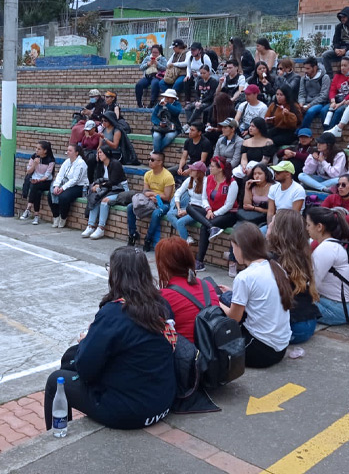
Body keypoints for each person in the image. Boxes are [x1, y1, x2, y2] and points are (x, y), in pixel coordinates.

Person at [43, 247, 176, 431]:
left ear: (116, 275)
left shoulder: (114, 313)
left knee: (56, 380)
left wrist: (87, 340)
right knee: (70, 357)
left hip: (130, 412)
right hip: (162, 402)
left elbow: (86, 369)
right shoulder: (161, 304)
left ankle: (57, 435)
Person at [218, 223, 292, 367]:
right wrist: (233, 293)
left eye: (233, 247)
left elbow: (233, 317)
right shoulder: (276, 267)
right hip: (280, 346)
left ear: (241, 247)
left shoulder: (245, 277)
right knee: (228, 299)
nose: (233, 252)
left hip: (260, 350)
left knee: (214, 344)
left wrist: (216, 301)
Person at [267, 209, 320, 344]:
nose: (268, 225)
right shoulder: (303, 256)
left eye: (271, 224)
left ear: (278, 232)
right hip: (309, 323)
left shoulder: (272, 261)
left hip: (292, 327)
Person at [157, 237, 220, 343]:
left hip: (189, 355)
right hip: (213, 350)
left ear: (163, 265)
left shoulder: (164, 296)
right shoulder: (207, 285)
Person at [305, 207, 349, 325]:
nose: (306, 228)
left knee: (288, 305)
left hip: (338, 310)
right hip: (342, 305)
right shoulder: (333, 244)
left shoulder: (326, 248)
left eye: (308, 225)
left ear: (319, 227)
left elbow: (313, 286)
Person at [185, 156, 239, 271]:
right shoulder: (208, 178)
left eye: (213, 166)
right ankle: (212, 227)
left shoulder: (232, 183)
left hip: (228, 214)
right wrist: (209, 209)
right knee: (190, 208)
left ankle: (199, 261)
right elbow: (204, 198)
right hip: (211, 211)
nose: (210, 168)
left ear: (220, 169)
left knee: (204, 226)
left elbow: (229, 205)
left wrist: (214, 213)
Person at [127, 152, 175, 252]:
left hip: (164, 203)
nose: (150, 161)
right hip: (149, 201)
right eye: (149, 159)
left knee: (156, 213)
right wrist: (151, 195)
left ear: (160, 162)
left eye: (152, 160)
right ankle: (133, 234)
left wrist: (154, 196)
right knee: (130, 207)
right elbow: (145, 192)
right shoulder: (148, 174)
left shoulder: (168, 176)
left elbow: (167, 196)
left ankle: (148, 239)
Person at [82, 146, 128, 240]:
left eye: (101, 152)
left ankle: (101, 228)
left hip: (119, 189)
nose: (99, 154)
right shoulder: (100, 164)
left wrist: (100, 186)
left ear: (107, 153)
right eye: (98, 153)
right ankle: (90, 226)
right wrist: (95, 185)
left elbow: (114, 181)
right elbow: (98, 179)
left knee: (104, 200)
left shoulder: (115, 164)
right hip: (108, 189)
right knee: (95, 197)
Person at [48, 144, 89, 229]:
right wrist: (56, 186)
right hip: (65, 184)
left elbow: (75, 180)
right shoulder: (67, 161)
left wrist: (62, 188)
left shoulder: (81, 163)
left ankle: (63, 218)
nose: (67, 152)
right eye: (67, 150)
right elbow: (60, 175)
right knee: (51, 194)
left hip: (79, 186)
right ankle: (56, 217)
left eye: (70, 151)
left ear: (76, 153)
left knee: (64, 197)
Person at [167, 161, 207, 241]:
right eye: (190, 168)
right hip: (189, 208)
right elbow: (178, 193)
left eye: (193, 169)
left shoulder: (206, 182)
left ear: (199, 172)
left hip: (199, 211)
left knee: (180, 222)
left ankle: (185, 243)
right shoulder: (189, 180)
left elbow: (204, 203)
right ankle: (187, 237)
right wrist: (179, 209)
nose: (190, 170)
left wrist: (186, 212)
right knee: (170, 214)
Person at [320, 7, 349, 78]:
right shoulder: (339, 27)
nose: (342, 19)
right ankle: (330, 76)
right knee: (325, 55)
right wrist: (336, 48)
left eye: (344, 17)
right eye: (341, 17)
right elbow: (335, 40)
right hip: (340, 48)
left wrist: (345, 50)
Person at [20, 141, 56, 225]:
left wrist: (38, 180)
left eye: (39, 149)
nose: (36, 150)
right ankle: (36, 216)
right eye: (36, 148)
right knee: (38, 192)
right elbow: (29, 171)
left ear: (45, 151)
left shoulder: (50, 160)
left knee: (34, 185)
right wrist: (35, 164)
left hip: (45, 181)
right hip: (35, 180)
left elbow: (47, 175)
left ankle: (28, 209)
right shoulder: (34, 157)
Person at [169, 121, 211, 185]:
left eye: (192, 130)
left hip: (201, 167)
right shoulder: (188, 141)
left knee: (188, 177)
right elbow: (183, 158)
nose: (190, 132)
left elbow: (202, 161)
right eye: (190, 129)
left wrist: (190, 170)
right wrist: (180, 168)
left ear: (199, 133)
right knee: (169, 171)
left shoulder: (205, 142)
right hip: (190, 164)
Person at [324, 55, 349, 128]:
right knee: (324, 110)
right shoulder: (337, 76)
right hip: (337, 100)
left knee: (338, 111)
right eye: (341, 65)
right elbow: (332, 90)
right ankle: (326, 132)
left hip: (347, 102)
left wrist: (340, 104)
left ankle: (330, 134)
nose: (342, 68)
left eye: (345, 65)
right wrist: (333, 101)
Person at [267, 161, 306, 226]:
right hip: (275, 223)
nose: (275, 174)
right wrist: (270, 227)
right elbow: (270, 212)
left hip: (291, 226)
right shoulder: (273, 188)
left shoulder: (298, 190)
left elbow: (294, 216)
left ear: (288, 174)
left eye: (278, 172)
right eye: (275, 171)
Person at [299, 56, 332, 129]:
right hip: (306, 103)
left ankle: (301, 132)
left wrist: (310, 105)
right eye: (305, 68)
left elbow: (324, 96)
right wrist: (301, 103)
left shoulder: (324, 77)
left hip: (320, 103)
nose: (305, 71)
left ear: (315, 68)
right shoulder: (303, 78)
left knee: (310, 111)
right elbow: (301, 93)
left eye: (308, 68)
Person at [151, 88, 182, 153]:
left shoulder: (177, 104)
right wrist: (159, 123)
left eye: (169, 97)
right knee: (156, 136)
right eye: (166, 97)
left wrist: (167, 105)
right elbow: (153, 117)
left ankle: (156, 152)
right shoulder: (159, 104)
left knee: (169, 136)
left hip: (173, 128)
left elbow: (176, 112)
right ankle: (157, 153)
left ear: (173, 98)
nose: (166, 99)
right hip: (160, 127)